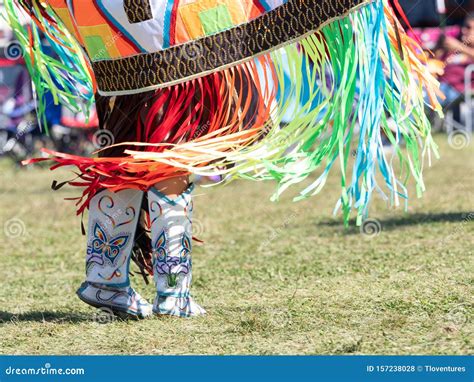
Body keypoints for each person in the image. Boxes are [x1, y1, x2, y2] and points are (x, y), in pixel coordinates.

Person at [5, 0, 441, 319]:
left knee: (125, 163)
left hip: (112, 47)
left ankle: (104, 279)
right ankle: (172, 293)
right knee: (167, 167)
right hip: (163, 46)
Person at [436, 12, 474, 122]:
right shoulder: (454, 45)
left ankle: (400, 125)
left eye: (469, 28)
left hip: (458, 89)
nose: (463, 30)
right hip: (439, 84)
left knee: (425, 95)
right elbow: (437, 63)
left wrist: (460, 47)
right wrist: (439, 48)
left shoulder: (459, 46)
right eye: (464, 26)